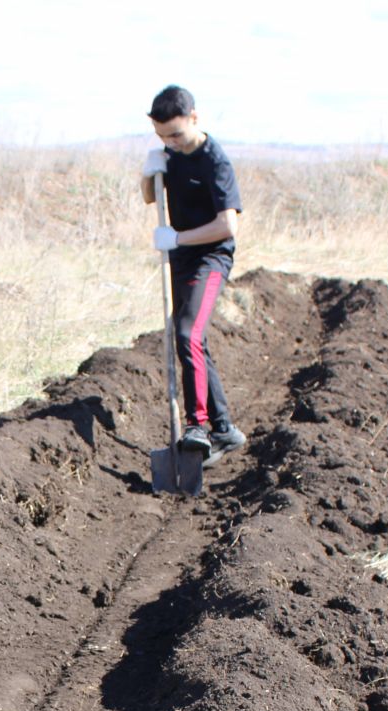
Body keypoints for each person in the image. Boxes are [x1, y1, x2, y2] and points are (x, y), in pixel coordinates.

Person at [140, 85, 245, 459]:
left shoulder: (215, 162)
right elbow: (152, 196)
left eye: (176, 134)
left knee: (188, 333)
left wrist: (178, 238)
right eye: (162, 136)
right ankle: (225, 430)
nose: (171, 142)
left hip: (210, 258)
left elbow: (227, 226)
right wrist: (150, 171)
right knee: (191, 339)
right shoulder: (170, 153)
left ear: (195, 118)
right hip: (182, 258)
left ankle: (197, 425)